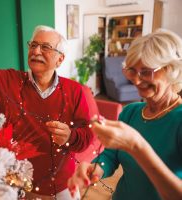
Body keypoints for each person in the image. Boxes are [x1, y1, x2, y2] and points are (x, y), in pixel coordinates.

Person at [0, 25, 99, 199]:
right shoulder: (9, 81)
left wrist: (70, 136)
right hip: (18, 184)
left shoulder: (75, 91)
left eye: (45, 47)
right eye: (33, 45)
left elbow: (87, 136)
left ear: (60, 59)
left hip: (63, 185)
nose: (36, 51)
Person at [68, 29, 182, 200]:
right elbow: (111, 155)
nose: (135, 80)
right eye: (131, 70)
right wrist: (96, 169)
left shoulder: (178, 121)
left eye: (145, 71)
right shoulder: (130, 112)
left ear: (171, 70)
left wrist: (137, 146)